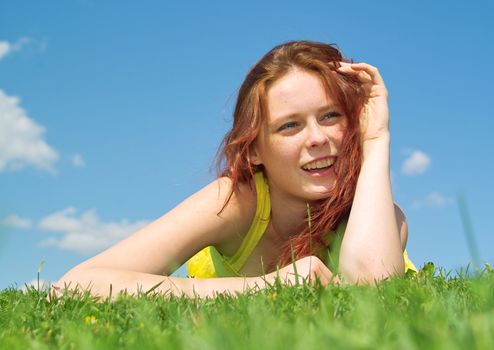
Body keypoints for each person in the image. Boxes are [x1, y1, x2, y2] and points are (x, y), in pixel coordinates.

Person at [50, 40, 417, 301]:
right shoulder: (237, 200)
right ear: (255, 149)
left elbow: (372, 288)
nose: (317, 138)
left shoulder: (376, 214)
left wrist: (376, 138)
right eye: (290, 126)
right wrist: (269, 286)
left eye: (331, 116)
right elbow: (76, 285)